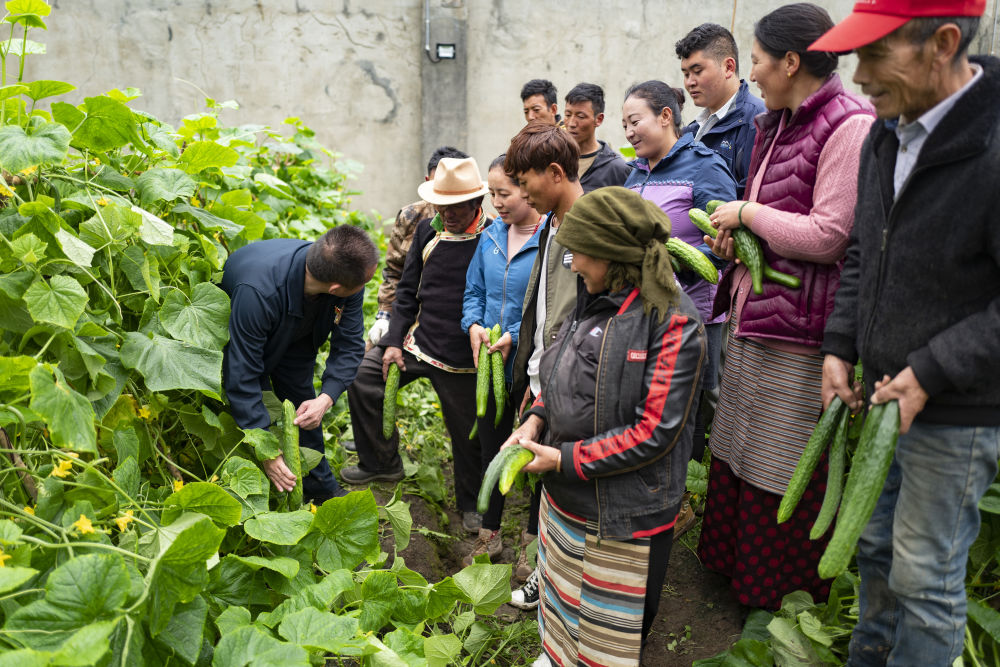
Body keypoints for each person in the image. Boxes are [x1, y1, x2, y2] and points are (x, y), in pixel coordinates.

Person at [811, 2, 1000, 664]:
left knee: (924, 579)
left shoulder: (993, 147)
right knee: (876, 549)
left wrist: (932, 370)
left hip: (955, 409)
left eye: (874, 54)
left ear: (942, 43)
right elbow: (865, 250)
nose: (859, 76)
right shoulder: (885, 133)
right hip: (884, 393)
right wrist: (839, 344)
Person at [696, 2, 875, 611]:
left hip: (802, 331)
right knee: (739, 446)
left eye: (756, 61)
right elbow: (773, 222)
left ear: (791, 62)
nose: (751, 74)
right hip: (759, 316)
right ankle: (733, 572)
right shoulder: (776, 122)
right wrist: (734, 238)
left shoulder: (849, 125)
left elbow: (830, 234)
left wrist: (747, 213)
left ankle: (778, 596)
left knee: (780, 462)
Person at [502, 187, 705, 667]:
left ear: (611, 254)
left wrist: (564, 459)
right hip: (566, 498)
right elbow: (560, 373)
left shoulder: (673, 322)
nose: (572, 264)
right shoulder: (594, 297)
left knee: (607, 632)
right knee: (561, 599)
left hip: (623, 512)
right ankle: (556, 654)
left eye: (579, 253)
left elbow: (654, 431)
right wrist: (536, 418)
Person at [342, 157, 491, 535]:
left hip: (464, 356)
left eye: (456, 207)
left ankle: (472, 504)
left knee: (468, 433)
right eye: (442, 205)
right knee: (364, 378)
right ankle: (381, 462)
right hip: (420, 342)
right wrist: (393, 342)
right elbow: (407, 291)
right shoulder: (427, 230)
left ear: (477, 202)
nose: (447, 214)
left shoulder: (493, 236)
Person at [621, 80, 738, 535]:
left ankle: (686, 498)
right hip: (644, 312)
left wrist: (676, 268)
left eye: (636, 121)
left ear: (666, 116)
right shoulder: (636, 173)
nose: (629, 132)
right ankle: (655, 490)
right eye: (625, 124)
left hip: (696, 313)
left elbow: (726, 243)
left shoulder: (704, 166)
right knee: (652, 401)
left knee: (690, 406)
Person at [221, 225, 379, 504]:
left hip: (299, 334)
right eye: (364, 282)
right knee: (253, 402)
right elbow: (241, 374)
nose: (364, 286)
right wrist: (267, 451)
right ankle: (261, 488)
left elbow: (349, 345)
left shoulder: (344, 276)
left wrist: (326, 398)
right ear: (335, 288)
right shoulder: (258, 291)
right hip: (247, 329)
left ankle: (320, 488)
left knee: (304, 403)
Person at [504, 121, 584, 606]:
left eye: (524, 181)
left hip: (570, 379)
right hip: (544, 373)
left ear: (554, 173)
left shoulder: (588, 227)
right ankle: (549, 572)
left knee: (565, 485)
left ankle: (560, 583)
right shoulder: (551, 223)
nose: (521, 192)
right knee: (548, 487)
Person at [459, 154, 543, 566]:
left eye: (504, 193)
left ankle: (532, 541)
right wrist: (474, 325)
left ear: (527, 189)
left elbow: (546, 305)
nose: (496, 202)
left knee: (534, 449)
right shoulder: (491, 236)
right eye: (491, 193)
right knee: (491, 448)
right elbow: (474, 291)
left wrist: (514, 333)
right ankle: (488, 533)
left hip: (532, 363)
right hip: (491, 362)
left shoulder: (550, 238)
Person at [366, 146, 469, 348]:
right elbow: (394, 270)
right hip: (408, 311)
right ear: (427, 181)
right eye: (438, 185)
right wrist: (385, 315)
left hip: (453, 320)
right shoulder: (411, 216)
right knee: (369, 357)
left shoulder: (481, 224)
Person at [676, 23, 767, 198]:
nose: (689, 82)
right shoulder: (692, 131)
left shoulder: (758, 121)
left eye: (697, 71)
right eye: (686, 74)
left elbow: (752, 195)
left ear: (728, 67)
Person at [563, 82, 631, 192]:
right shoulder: (556, 158)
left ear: (598, 119)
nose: (571, 123)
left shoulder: (616, 169)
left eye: (580, 116)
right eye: (567, 115)